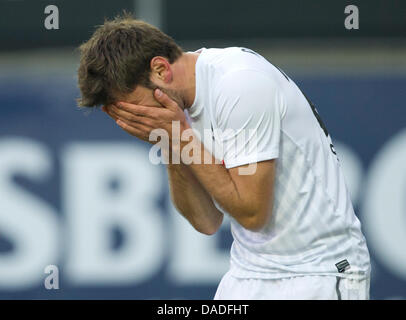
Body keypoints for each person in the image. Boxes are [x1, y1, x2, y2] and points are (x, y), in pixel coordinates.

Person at [77, 14, 371, 300]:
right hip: (248, 272)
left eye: (137, 109)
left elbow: (253, 213)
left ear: (160, 70)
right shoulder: (176, 112)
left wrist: (179, 135)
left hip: (321, 272)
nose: (142, 119)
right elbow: (206, 222)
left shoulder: (240, 85)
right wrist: (168, 140)